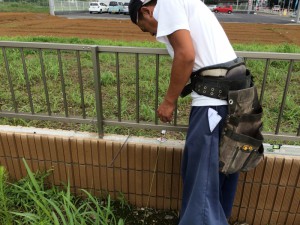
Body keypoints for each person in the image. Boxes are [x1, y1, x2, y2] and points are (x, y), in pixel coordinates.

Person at [129, 0, 249, 224]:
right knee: (224, 170)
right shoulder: (186, 4)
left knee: (200, 179)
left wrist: (168, 102)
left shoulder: (167, 5)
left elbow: (185, 55)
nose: (151, 34)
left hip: (213, 102)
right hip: (236, 97)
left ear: (146, 10)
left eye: (145, 28)